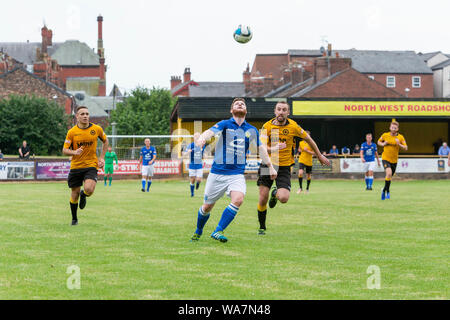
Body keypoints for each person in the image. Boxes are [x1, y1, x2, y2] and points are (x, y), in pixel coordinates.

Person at [190, 98, 277, 243]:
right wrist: (201, 140)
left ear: (246, 111)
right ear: (232, 110)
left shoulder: (252, 130)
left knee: (238, 199)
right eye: (236, 104)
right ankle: (199, 230)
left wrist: (271, 166)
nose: (240, 104)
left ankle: (218, 230)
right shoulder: (225, 124)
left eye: (242, 104)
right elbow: (209, 132)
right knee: (207, 207)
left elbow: (261, 149)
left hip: (236, 174)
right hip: (217, 173)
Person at [257, 104, 330, 235]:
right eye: (279, 109)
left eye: (284, 110)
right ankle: (262, 227)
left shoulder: (294, 126)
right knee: (262, 198)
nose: (281, 112)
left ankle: (275, 194)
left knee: (284, 198)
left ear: (288, 113)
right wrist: (274, 148)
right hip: (267, 164)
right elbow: (261, 147)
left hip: (284, 166)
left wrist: (319, 155)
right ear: (275, 111)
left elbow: (309, 139)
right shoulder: (266, 127)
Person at [62, 106, 108, 226]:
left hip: (91, 165)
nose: (85, 116)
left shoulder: (96, 129)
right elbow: (64, 150)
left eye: (87, 114)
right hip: (76, 166)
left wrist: (102, 157)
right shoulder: (72, 132)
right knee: (74, 193)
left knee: (89, 189)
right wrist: (74, 152)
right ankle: (74, 219)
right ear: (77, 116)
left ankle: (85, 194)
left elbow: (105, 141)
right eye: (82, 114)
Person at [377, 121, 408, 200]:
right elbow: (378, 142)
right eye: (392, 127)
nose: (393, 129)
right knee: (389, 173)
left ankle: (385, 190)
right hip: (385, 158)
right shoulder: (385, 135)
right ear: (389, 127)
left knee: (389, 176)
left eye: (395, 128)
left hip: (394, 161)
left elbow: (406, 148)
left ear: (397, 129)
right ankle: (386, 192)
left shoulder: (400, 137)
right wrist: (383, 144)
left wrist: (399, 144)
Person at [296, 131, 325, 196]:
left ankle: (307, 189)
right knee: (300, 173)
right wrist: (300, 150)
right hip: (302, 160)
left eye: (308, 135)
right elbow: (299, 149)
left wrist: (307, 151)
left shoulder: (312, 144)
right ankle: (300, 188)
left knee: (308, 175)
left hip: (309, 161)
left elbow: (315, 153)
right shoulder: (300, 142)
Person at [183, 132, 206, 197]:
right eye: (196, 136)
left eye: (198, 136)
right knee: (192, 179)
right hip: (192, 164)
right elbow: (184, 154)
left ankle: (198, 183)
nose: (197, 138)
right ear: (193, 138)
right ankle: (192, 193)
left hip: (199, 165)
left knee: (198, 179)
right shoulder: (190, 145)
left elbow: (202, 152)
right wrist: (188, 152)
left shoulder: (202, 144)